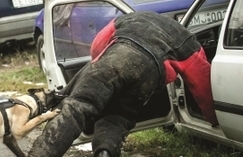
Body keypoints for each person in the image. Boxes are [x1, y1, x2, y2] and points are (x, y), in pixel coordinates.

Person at [27, 11, 219, 157]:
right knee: (118, 117)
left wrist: (100, 71)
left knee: (78, 107)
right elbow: (202, 84)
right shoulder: (188, 42)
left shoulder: (133, 17)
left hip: (115, 60)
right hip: (148, 76)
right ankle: (105, 153)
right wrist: (214, 119)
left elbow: (98, 45)